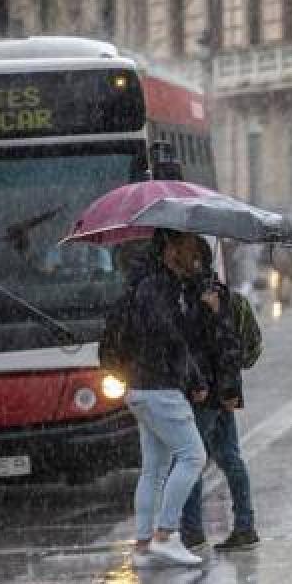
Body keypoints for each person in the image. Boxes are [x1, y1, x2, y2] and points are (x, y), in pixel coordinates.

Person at [124, 229, 210, 566]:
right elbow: (173, 338)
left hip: (139, 385)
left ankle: (143, 545)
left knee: (154, 469)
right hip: (160, 386)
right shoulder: (162, 288)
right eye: (191, 253)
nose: (195, 261)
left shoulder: (144, 285)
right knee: (193, 456)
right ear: (171, 249)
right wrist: (195, 379)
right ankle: (166, 534)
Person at [179, 237, 262, 552]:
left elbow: (223, 347)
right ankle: (244, 524)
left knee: (191, 460)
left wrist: (221, 388)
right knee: (228, 457)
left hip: (207, 393)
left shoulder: (206, 298)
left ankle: (192, 530)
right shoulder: (213, 295)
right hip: (219, 391)